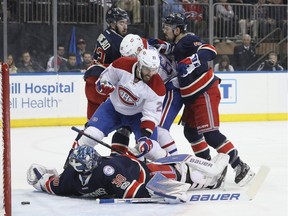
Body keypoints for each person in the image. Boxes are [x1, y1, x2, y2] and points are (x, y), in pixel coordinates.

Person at [150, 12, 255, 186]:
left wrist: (192, 61)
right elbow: (177, 50)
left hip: (204, 92)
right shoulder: (179, 43)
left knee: (211, 134)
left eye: (167, 28)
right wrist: (164, 46)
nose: (164, 30)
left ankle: (240, 166)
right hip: (192, 96)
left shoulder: (189, 39)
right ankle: (208, 169)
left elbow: (209, 50)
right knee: (190, 132)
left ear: (177, 30)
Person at [27, 145, 229, 200]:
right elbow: (135, 190)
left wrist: (39, 177)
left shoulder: (70, 180)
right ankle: (210, 182)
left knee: (144, 151)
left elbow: (48, 183)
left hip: (128, 164)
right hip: (142, 172)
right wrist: (166, 190)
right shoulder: (107, 171)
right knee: (183, 173)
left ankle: (203, 177)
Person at [78, 49, 168, 162]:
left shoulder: (157, 86)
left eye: (154, 70)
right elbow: (103, 80)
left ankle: (171, 166)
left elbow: (152, 114)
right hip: (113, 109)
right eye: (147, 69)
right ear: (139, 65)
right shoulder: (121, 64)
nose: (150, 74)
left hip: (138, 116)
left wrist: (145, 135)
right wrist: (103, 86)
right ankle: (72, 166)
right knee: (89, 136)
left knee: (151, 149)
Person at [120, 34, 181, 156]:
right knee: (148, 126)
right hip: (167, 86)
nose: (127, 60)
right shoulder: (146, 46)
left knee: (159, 129)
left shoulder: (145, 64)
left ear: (137, 51)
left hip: (171, 87)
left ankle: (176, 161)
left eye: (131, 57)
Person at [84, 7, 131, 155]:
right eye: (122, 23)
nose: (125, 26)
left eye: (126, 22)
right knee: (125, 124)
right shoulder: (119, 42)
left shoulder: (104, 35)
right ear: (112, 23)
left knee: (91, 128)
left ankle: (76, 157)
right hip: (104, 87)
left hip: (91, 85)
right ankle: (117, 158)